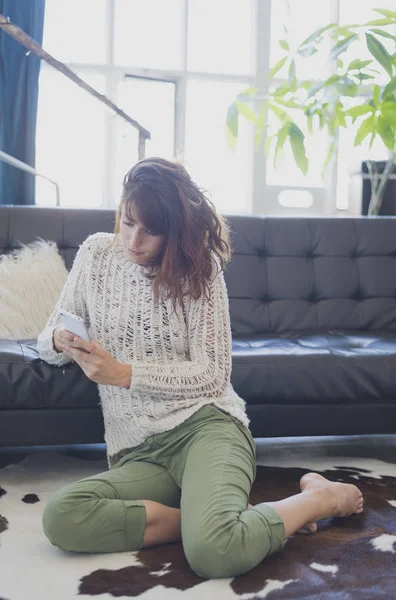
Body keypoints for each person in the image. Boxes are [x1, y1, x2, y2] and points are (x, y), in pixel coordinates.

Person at [37, 157, 364, 579]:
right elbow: (49, 333)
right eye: (128, 221)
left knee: (214, 555)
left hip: (206, 429)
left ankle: (319, 497)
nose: (133, 240)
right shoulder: (95, 254)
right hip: (138, 452)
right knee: (62, 516)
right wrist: (59, 340)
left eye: (150, 230)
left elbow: (212, 374)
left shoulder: (201, 270)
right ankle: (208, 520)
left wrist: (126, 374)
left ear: (175, 230)